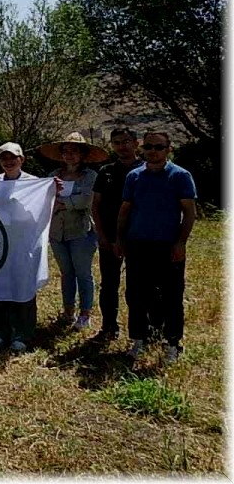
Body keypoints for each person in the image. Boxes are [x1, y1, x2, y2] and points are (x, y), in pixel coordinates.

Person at [116, 132, 196, 363]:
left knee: (171, 296)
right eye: (149, 146)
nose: (153, 151)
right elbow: (125, 210)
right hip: (138, 245)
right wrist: (120, 239)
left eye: (159, 147)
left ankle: (172, 343)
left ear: (168, 149)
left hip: (168, 246)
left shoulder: (180, 176)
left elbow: (189, 212)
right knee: (136, 295)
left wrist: (181, 242)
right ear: (142, 148)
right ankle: (138, 340)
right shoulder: (134, 176)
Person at [38, 132, 105, 332]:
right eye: (66, 151)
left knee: (83, 273)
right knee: (66, 273)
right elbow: (43, 198)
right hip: (57, 233)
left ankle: (85, 314)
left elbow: (85, 200)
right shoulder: (52, 176)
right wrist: (59, 202)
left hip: (81, 232)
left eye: (74, 151)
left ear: (83, 154)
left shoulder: (91, 176)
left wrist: (61, 203)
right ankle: (68, 311)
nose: (69, 155)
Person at [0, 142, 41, 352]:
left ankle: (23, 333)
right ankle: (0, 331)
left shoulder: (33, 183)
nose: (8, 162)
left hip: (23, 243)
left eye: (13, 158)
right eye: (4, 158)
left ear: (22, 159)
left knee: (23, 287)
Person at [90, 127, 142, 339]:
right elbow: (96, 205)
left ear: (136, 143)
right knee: (109, 285)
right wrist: (101, 235)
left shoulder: (146, 170)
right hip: (109, 237)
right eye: (117, 142)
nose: (122, 146)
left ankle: (141, 331)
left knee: (138, 285)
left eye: (126, 141)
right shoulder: (106, 172)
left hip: (139, 237)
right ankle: (109, 327)